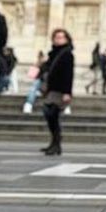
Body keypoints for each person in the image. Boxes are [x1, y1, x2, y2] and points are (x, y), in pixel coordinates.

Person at [38, 28, 74, 156]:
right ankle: (54, 143)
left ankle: (56, 144)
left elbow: (69, 75)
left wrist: (67, 93)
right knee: (50, 116)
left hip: (60, 90)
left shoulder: (67, 54)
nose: (58, 39)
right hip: (52, 89)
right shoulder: (53, 53)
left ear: (66, 39)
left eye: (61, 37)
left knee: (52, 114)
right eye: (56, 37)